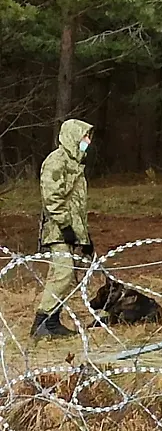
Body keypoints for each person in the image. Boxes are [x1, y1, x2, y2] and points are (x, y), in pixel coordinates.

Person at [30, 119, 95, 338]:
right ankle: (43, 322)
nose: (88, 141)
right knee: (63, 274)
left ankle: (52, 321)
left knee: (62, 276)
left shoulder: (76, 165)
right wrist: (66, 226)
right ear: (73, 136)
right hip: (58, 230)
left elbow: (77, 206)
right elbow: (52, 198)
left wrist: (85, 238)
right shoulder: (56, 161)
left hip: (71, 230)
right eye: (85, 136)